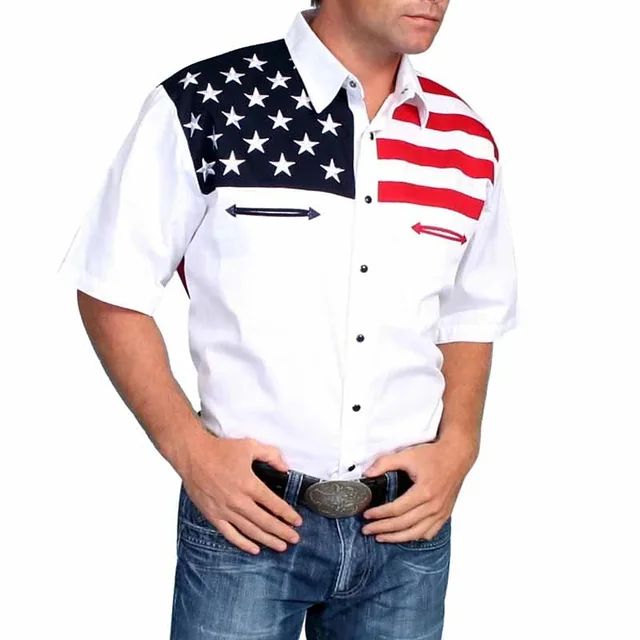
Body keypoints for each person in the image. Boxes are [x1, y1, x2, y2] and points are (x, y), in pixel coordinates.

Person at [57, 0, 518, 637]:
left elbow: (470, 315)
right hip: (246, 521)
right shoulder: (206, 106)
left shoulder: (464, 139)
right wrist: (191, 454)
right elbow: (112, 289)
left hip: (407, 529)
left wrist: (460, 446)